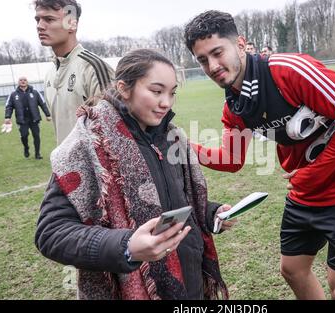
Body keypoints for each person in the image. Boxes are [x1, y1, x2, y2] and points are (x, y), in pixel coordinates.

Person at [184, 10, 335, 300]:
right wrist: (183, 147)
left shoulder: (291, 70)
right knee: (292, 270)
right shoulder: (235, 107)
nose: (212, 66)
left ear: (240, 43)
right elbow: (231, 160)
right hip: (302, 194)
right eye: (202, 60)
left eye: (217, 52)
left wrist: (315, 171)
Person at [35, 49, 235, 300]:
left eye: (172, 93)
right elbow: (51, 233)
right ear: (124, 88)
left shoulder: (172, 138)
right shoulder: (87, 145)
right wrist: (126, 247)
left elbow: (176, 200)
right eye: (156, 91)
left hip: (190, 282)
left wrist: (209, 212)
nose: (167, 102)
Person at [34, 0, 114, 144]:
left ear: (72, 24)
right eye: (37, 19)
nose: (40, 26)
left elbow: (114, 129)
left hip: (94, 166)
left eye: (49, 19)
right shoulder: (50, 73)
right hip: (64, 165)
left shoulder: (93, 67)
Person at [4, 76, 52, 159]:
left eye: (24, 80)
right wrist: (7, 116)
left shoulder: (35, 92)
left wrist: (47, 115)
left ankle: (37, 154)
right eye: (21, 80)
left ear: (27, 82)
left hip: (34, 118)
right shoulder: (13, 94)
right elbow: (9, 106)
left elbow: (43, 104)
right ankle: (26, 148)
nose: (23, 81)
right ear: (18, 82)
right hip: (22, 120)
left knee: (36, 136)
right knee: (24, 135)